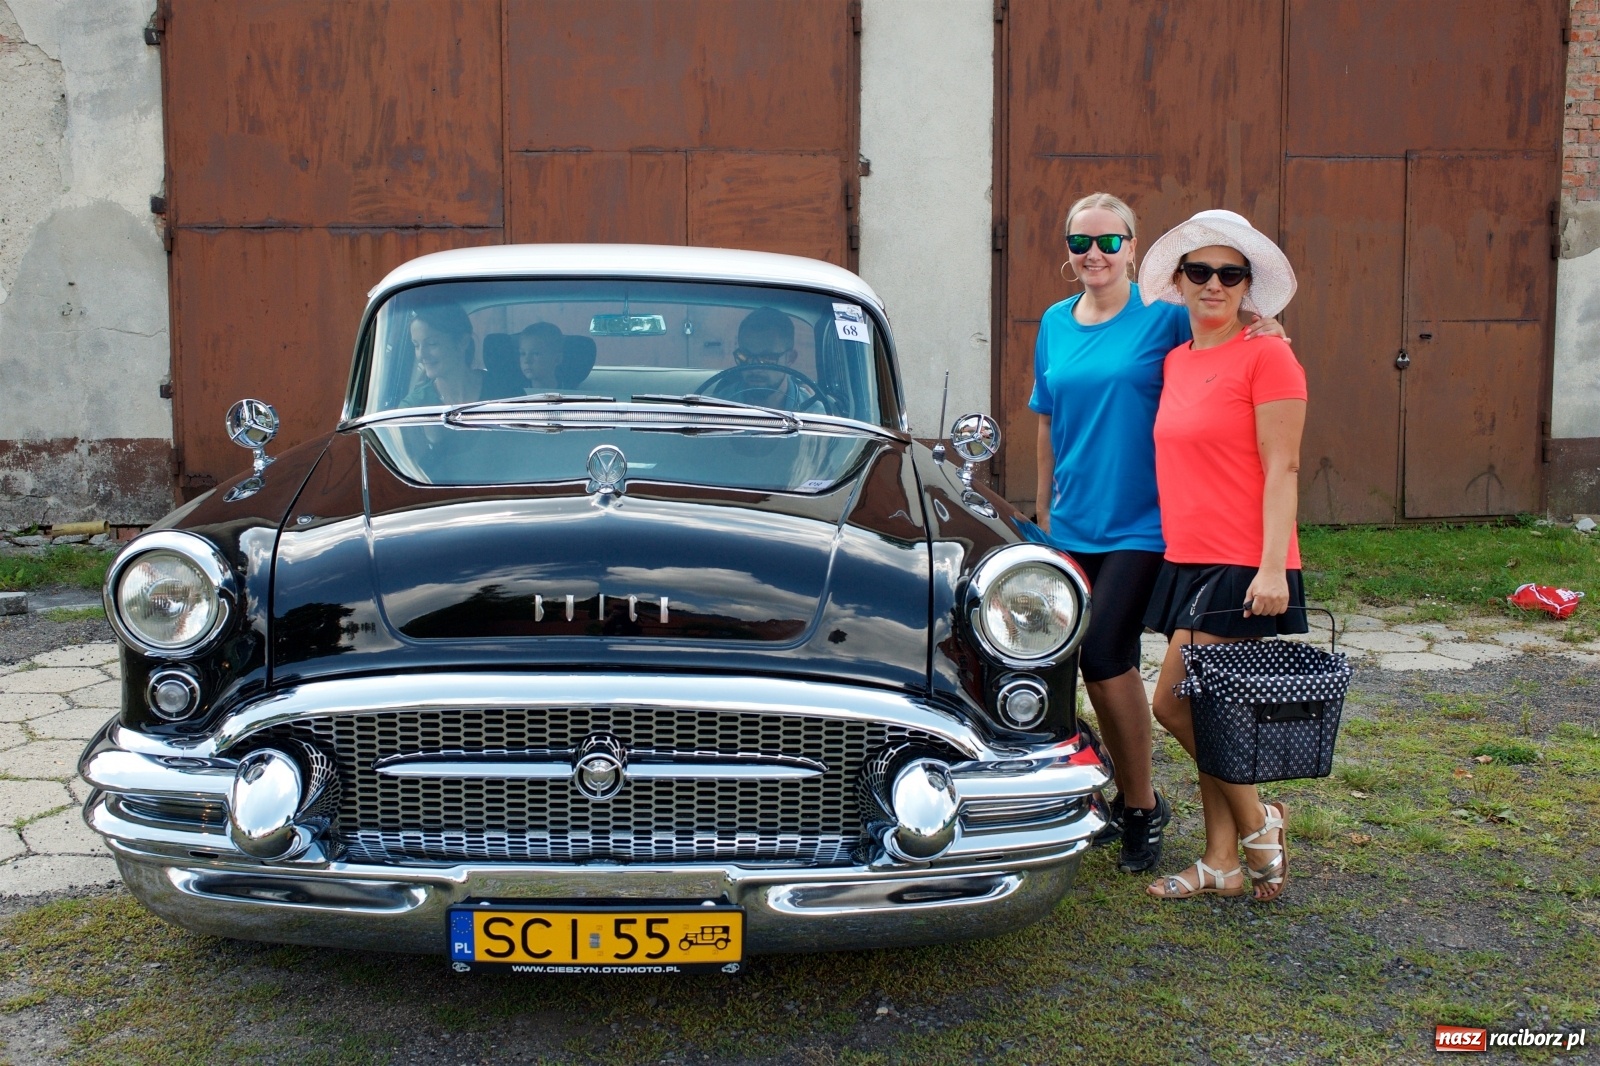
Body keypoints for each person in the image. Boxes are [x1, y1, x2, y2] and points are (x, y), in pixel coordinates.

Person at [1030, 193, 1287, 874]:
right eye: (1081, 241)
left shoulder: (1163, 318)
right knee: (1052, 663)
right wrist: (1042, 513)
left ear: (1135, 250)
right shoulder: (1054, 323)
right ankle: (1086, 788)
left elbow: (1223, 337)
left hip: (1146, 524)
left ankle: (1140, 805)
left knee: (1106, 653)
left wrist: (1269, 328)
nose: (1094, 254)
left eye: (1110, 243)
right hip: (1072, 520)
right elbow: (1047, 421)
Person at [1137, 209, 1307, 902]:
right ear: (1180, 281)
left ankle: (1258, 821)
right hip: (1189, 556)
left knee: (1173, 704)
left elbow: (1284, 466)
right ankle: (1221, 862)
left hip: (1244, 560)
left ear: (1247, 287)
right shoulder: (1178, 359)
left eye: (1229, 274)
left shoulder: (1269, 355)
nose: (1214, 284)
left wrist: (1273, 566)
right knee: (1211, 708)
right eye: (1200, 271)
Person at [400, 302, 486, 407]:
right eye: (416, 345)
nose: (421, 355)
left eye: (432, 343)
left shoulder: (504, 388)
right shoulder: (412, 406)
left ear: (463, 342)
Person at [517, 322, 566, 393]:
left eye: (535, 353)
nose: (527, 360)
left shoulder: (575, 397)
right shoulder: (513, 398)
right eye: (523, 353)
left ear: (557, 359)